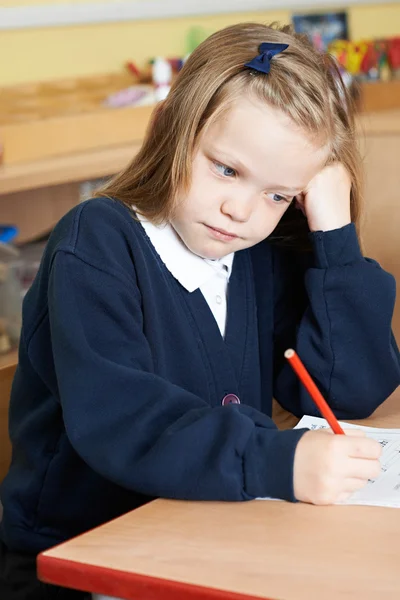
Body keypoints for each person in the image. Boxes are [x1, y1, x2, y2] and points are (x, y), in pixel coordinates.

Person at [1, 22, 399, 600]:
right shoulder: (97, 243)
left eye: (278, 194)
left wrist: (335, 236)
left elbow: (348, 392)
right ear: (170, 126)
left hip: (211, 527)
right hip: (81, 559)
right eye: (226, 169)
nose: (241, 210)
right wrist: (274, 461)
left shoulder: (254, 252)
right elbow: (123, 419)